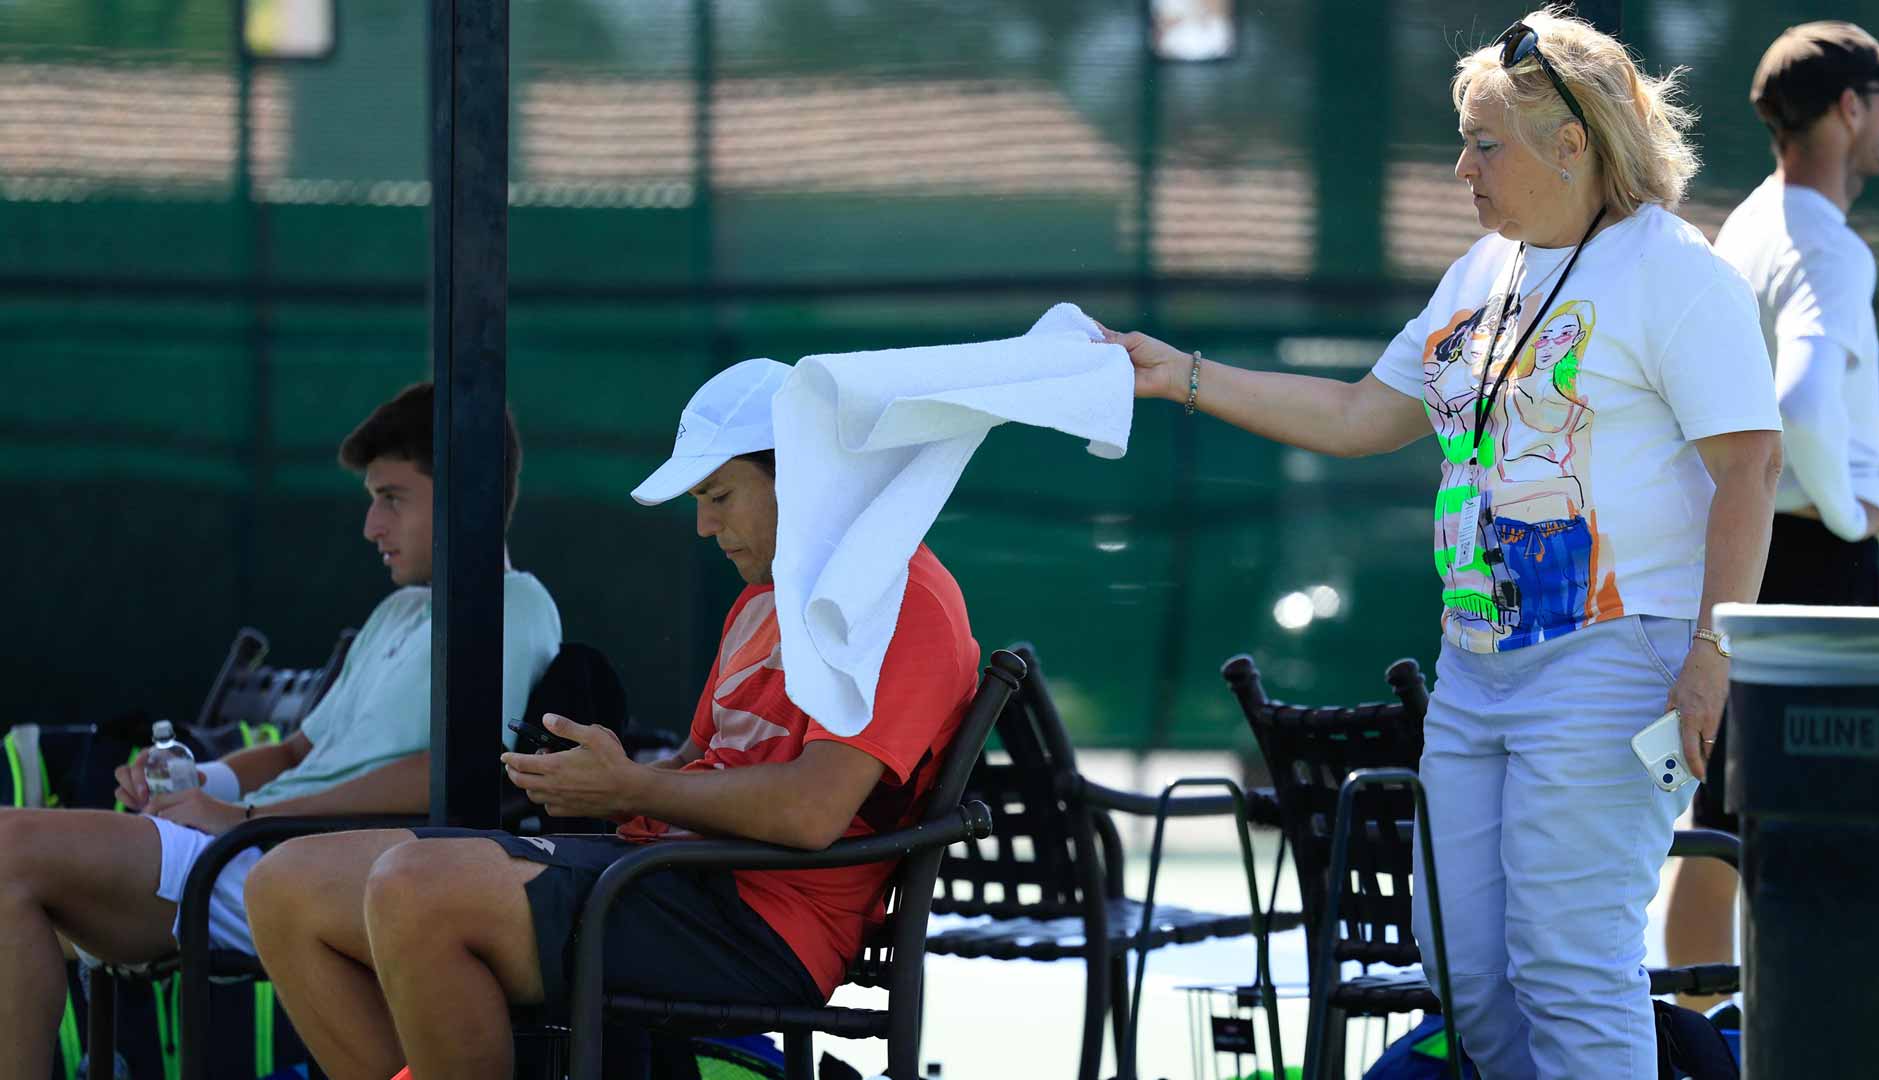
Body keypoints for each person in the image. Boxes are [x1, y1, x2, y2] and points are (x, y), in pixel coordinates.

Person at [1104, 11, 1781, 1077]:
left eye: (1484, 142)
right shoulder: (1481, 268)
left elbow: (1752, 466)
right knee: (1464, 968)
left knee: (1568, 961)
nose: (1461, 166)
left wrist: (1712, 653)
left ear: (1575, 142)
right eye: (1463, 140)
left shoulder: (1674, 271)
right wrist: (1176, 373)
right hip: (1477, 667)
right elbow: (1357, 417)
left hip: (1616, 659)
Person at [242, 358, 982, 1080]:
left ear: (805, 474)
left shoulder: (900, 598)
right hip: (667, 876)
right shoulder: (766, 596)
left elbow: (812, 812)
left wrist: (629, 789)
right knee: (284, 887)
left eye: (719, 496)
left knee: (416, 888)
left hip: (761, 924)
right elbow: (700, 759)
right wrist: (594, 781)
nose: (702, 525)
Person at [0, 382, 561, 1080]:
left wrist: (243, 815)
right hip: (252, 851)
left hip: (292, 862)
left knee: (8, 849)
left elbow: (452, 770)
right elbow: (299, 750)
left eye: (392, 498)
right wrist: (196, 780)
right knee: (17, 876)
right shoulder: (397, 615)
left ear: (463, 495)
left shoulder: (515, 606)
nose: (370, 527)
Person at [1664, 20, 1879, 1011]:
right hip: (1815, 564)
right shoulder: (1827, 248)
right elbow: (1802, 405)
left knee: (1724, 814)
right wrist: (1851, 511)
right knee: (1835, 822)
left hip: (1755, 546)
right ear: (1849, 110)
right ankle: (1817, 1033)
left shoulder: (1752, 225)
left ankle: (1692, 1035)